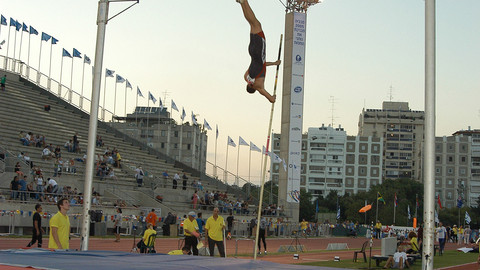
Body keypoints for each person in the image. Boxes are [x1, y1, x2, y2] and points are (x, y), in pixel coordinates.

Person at [236, 0, 281, 103]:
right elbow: (261, 64)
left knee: (256, 24)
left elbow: (271, 100)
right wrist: (274, 63)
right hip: (252, 51)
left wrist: (273, 97)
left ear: (254, 89)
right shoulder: (246, 77)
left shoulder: (259, 86)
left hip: (259, 51)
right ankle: (242, 4)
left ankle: (244, 2)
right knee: (252, 24)